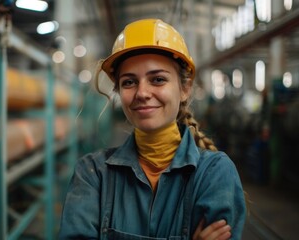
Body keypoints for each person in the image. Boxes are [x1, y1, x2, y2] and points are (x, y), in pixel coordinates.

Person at [59, 18, 246, 239]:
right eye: (129, 82)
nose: (142, 93)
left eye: (157, 79)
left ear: (184, 88)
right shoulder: (93, 174)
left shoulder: (214, 174)